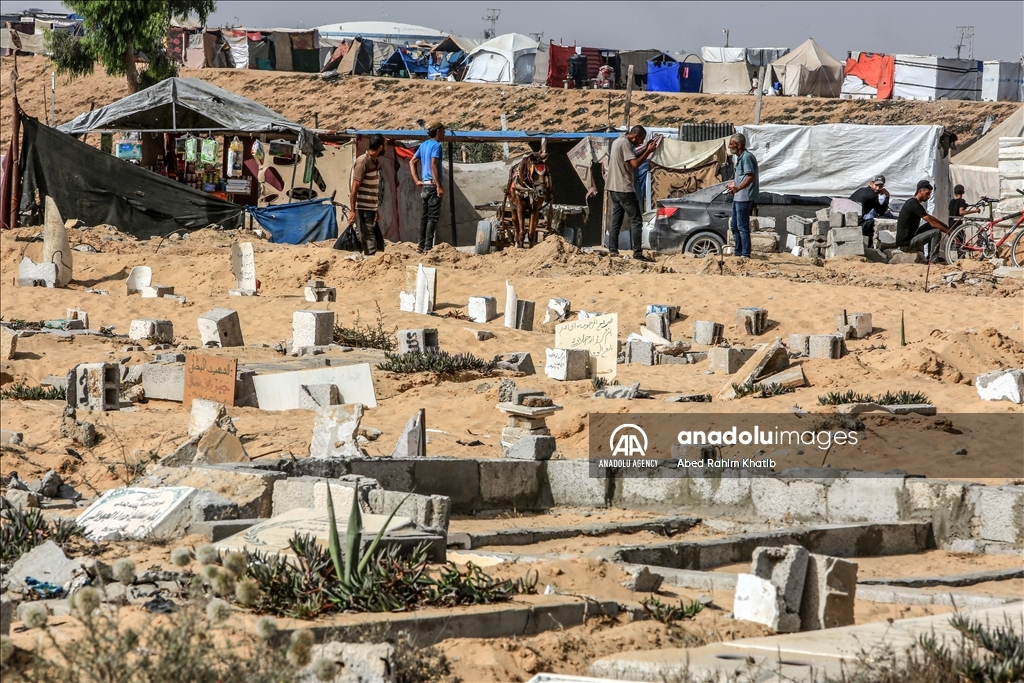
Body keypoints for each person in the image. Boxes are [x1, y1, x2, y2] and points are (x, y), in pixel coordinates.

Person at [605, 125, 660, 261]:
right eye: (640, 139)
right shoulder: (625, 144)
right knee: (636, 220)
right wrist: (648, 151)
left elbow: (631, 155)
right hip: (624, 189)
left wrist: (645, 147)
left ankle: (612, 249)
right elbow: (635, 164)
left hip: (613, 187)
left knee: (616, 220)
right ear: (634, 136)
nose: (641, 142)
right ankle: (637, 253)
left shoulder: (619, 141)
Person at [410, 122, 445, 254]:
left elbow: (412, 161)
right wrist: (439, 186)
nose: (444, 133)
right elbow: (434, 165)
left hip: (425, 185)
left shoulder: (423, 145)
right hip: (432, 185)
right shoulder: (437, 146)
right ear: (438, 131)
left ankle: (420, 246)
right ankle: (428, 247)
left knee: (424, 217)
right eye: (443, 131)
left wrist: (417, 180)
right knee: (432, 217)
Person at [896, 179, 950, 261]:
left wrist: (947, 227)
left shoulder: (913, 203)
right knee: (936, 232)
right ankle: (933, 259)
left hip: (910, 238)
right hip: (906, 244)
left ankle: (930, 256)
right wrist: (949, 232)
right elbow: (933, 223)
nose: (928, 197)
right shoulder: (914, 204)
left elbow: (931, 218)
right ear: (920, 191)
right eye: (927, 194)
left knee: (931, 226)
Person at [349, 133, 385, 256]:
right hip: (362, 209)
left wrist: (376, 210)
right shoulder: (363, 162)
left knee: (371, 238)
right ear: (381, 147)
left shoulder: (374, 162)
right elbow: (354, 188)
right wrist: (353, 210)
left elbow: (372, 190)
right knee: (369, 239)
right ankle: (370, 265)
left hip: (370, 209)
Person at [726, 133, 759, 259]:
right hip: (738, 196)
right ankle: (738, 251)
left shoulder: (747, 157)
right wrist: (733, 185)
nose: (729, 147)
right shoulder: (739, 158)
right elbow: (741, 177)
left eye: (731, 144)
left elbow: (750, 176)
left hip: (744, 197)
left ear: (738, 145)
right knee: (734, 226)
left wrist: (738, 188)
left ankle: (745, 254)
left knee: (742, 226)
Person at [849, 175, 893, 248]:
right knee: (876, 221)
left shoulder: (861, 190)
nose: (878, 188)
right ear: (871, 183)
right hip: (857, 223)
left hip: (849, 219)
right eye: (876, 185)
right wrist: (887, 197)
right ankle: (870, 245)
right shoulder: (872, 196)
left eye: (880, 186)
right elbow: (881, 212)